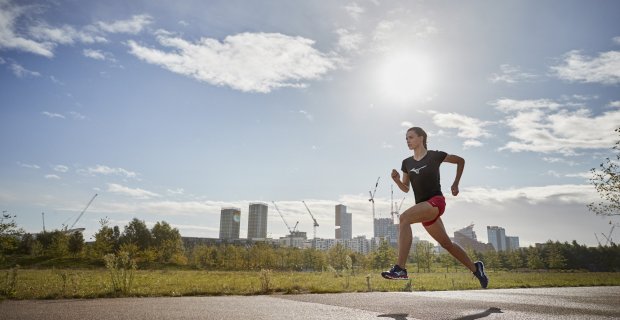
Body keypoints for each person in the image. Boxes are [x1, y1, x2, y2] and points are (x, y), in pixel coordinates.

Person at [381, 127, 488, 289]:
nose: (407, 141)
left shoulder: (435, 156)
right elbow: (406, 188)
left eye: (410, 137)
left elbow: (460, 160)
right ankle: (476, 268)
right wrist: (396, 180)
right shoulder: (407, 163)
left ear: (421, 138)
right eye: (406, 138)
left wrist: (455, 183)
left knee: (404, 218)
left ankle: (400, 269)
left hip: (436, 202)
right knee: (446, 244)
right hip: (424, 209)